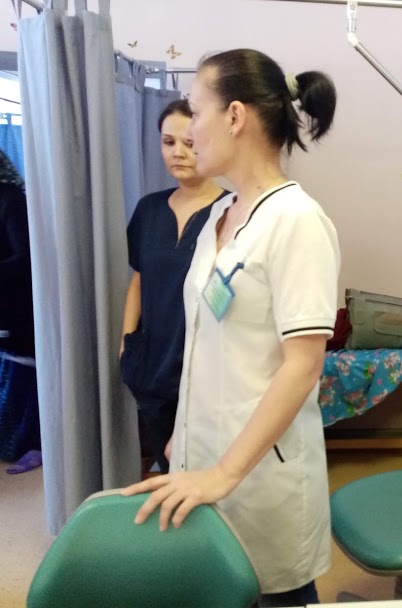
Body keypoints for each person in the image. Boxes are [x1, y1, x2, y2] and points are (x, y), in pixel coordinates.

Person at [123, 49, 340, 607]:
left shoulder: (297, 221)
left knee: (274, 593)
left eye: (197, 113)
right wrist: (185, 432)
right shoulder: (222, 215)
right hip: (204, 450)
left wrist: (223, 472)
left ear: (236, 116)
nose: (190, 132)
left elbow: (303, 366)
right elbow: (209, 338)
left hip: (261, 472)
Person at [120, 99, 227, 474]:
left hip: (208, 369)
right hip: (152, 364)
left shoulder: (232, 210)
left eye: (189, 142)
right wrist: (126, 342)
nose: (178, 152)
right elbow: (138, 280)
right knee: (168, 469)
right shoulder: (148, 209)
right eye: (168, 142)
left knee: (207, 471)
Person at [0, 149, 40, 471]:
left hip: (15, 305)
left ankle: (34, 444)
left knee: (22, 376)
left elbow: (25, 258)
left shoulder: (10, 200)